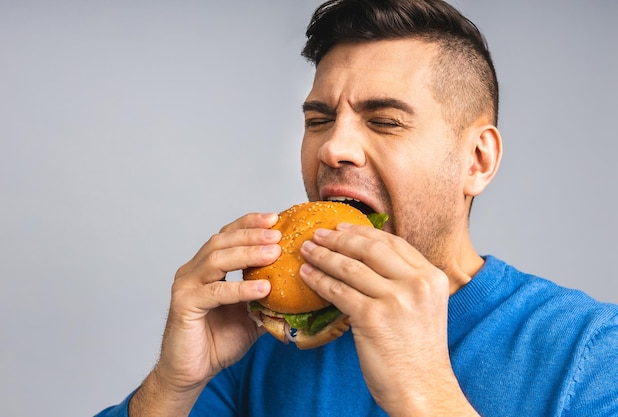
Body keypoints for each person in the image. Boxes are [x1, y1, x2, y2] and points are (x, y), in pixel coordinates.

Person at [96, 0, 618, 416]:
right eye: (319, 119)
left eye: (385, 121)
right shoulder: (257, 340)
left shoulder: (593, 352)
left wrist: (424, 394)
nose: (332, 149)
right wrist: (173, 386)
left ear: (477, 161)